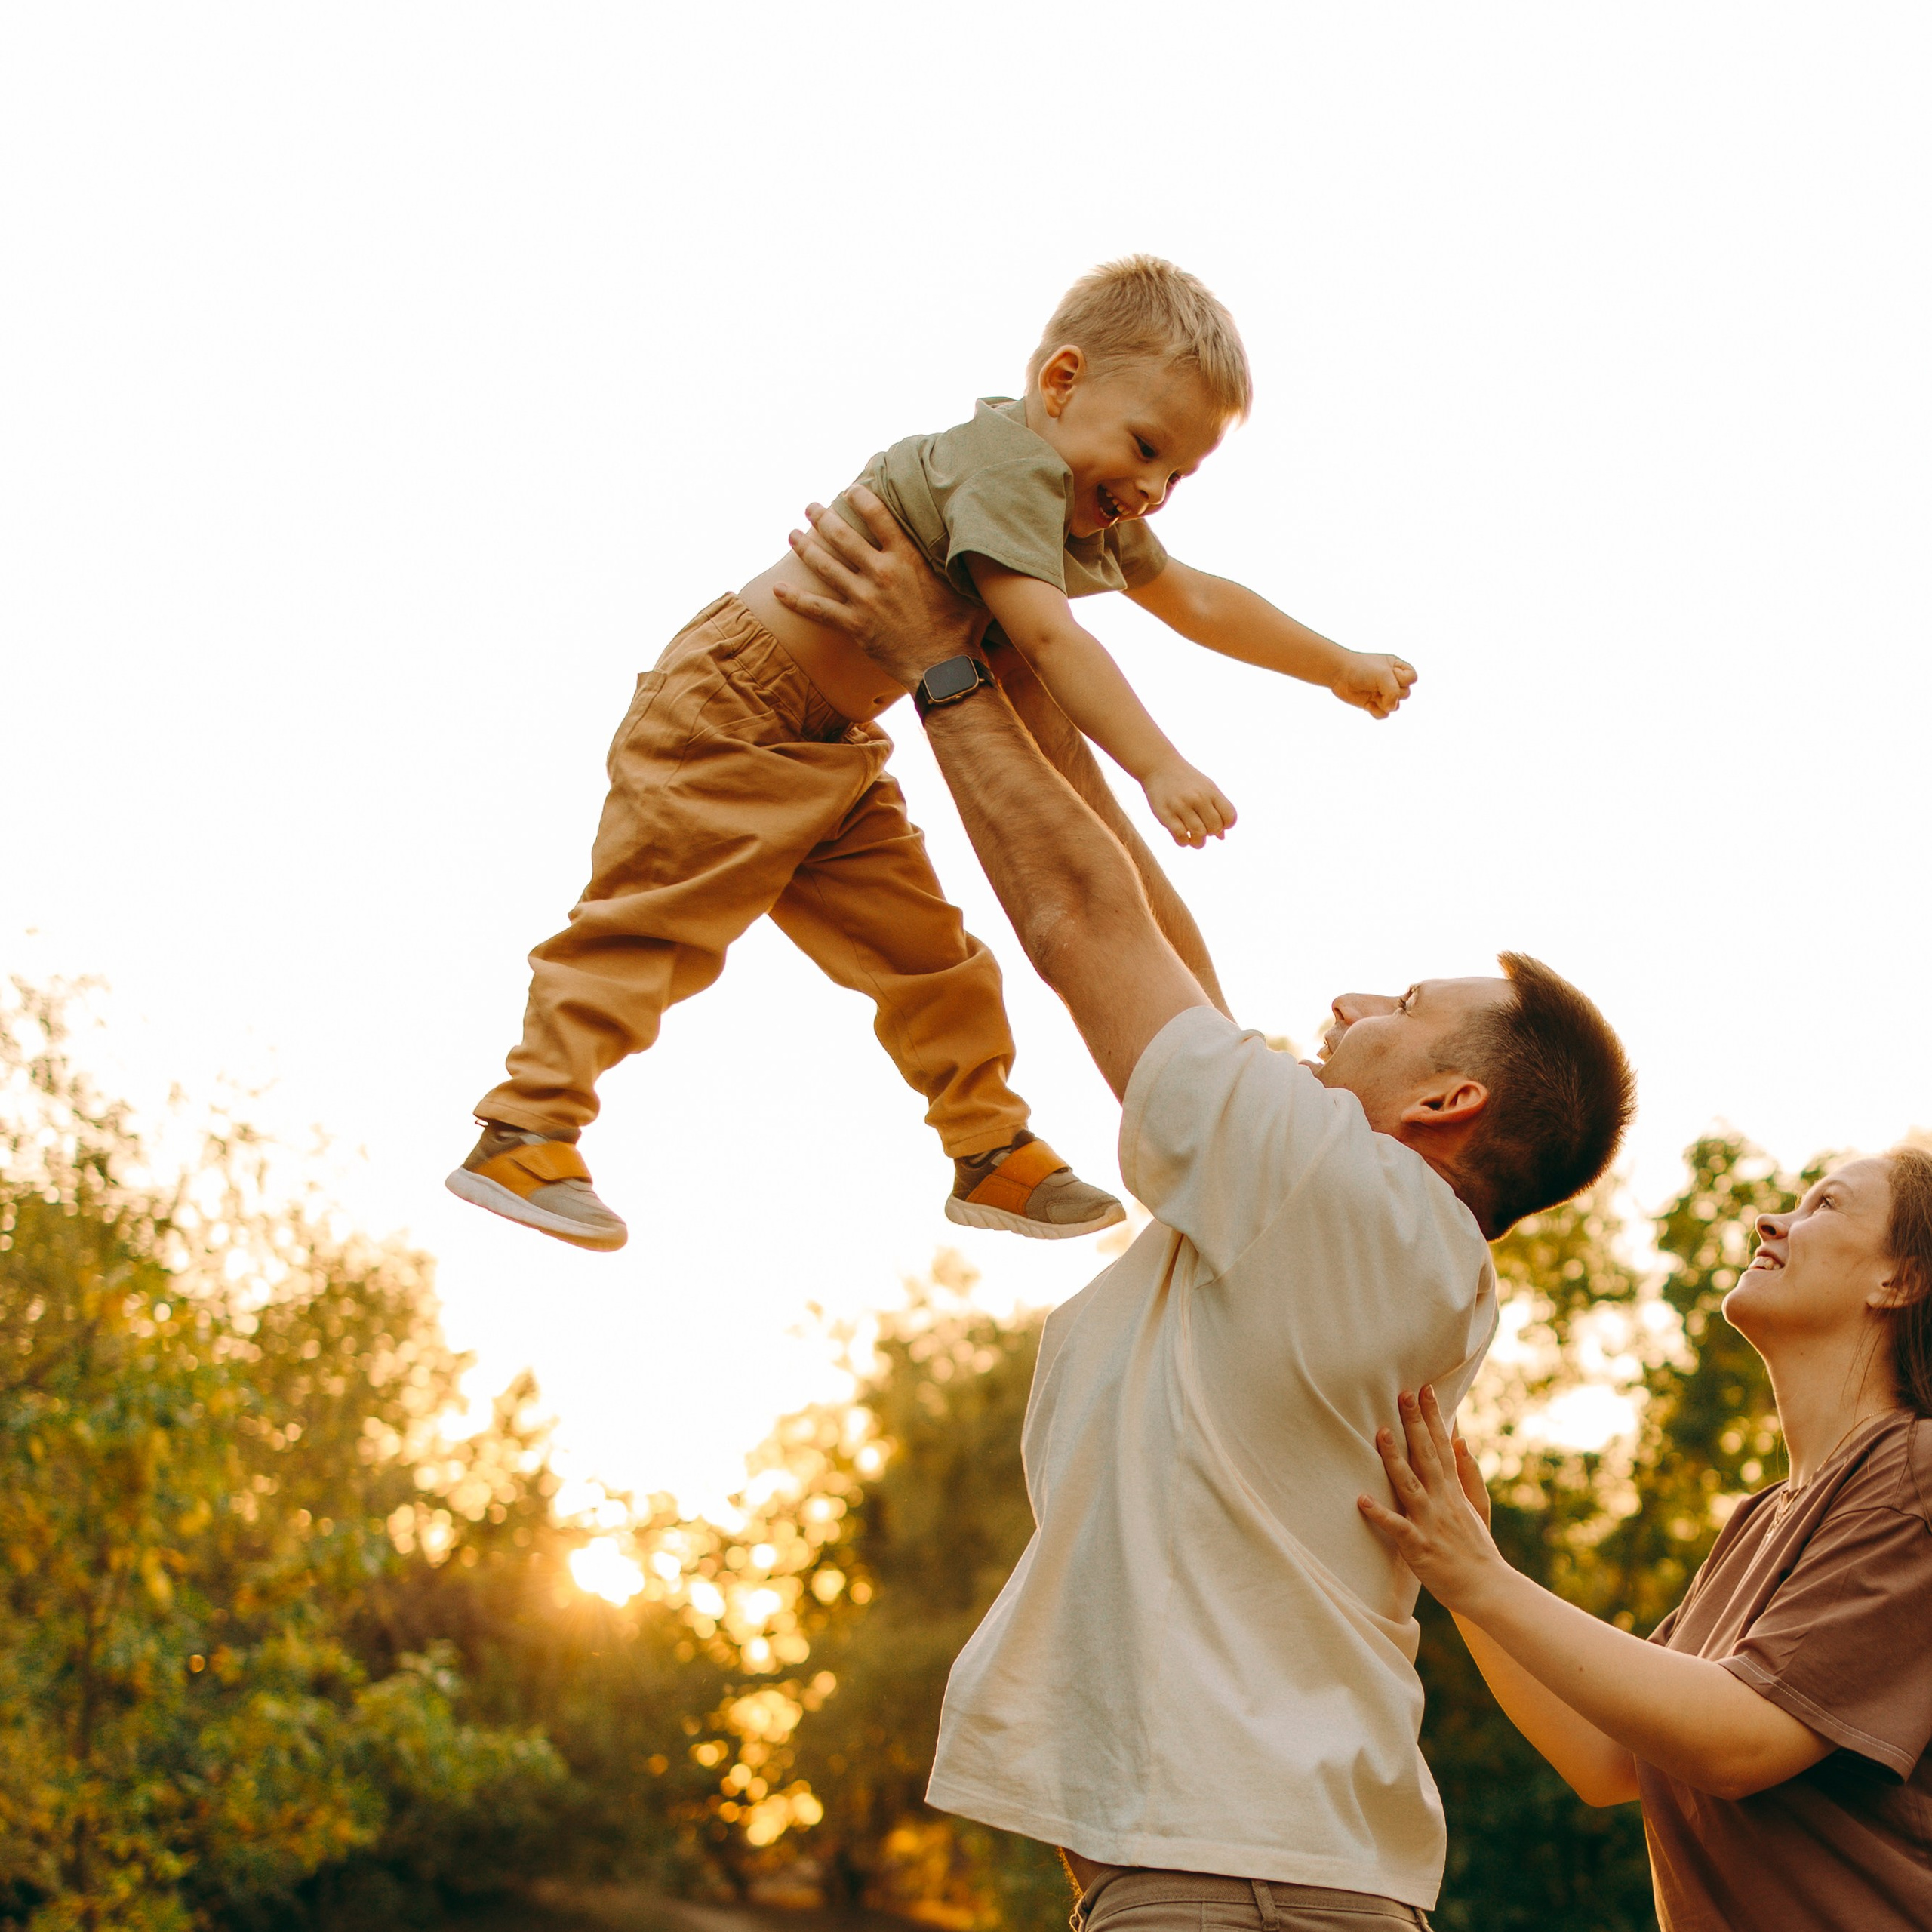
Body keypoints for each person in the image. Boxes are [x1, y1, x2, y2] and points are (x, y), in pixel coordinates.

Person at [771, 488, 1635, 1929]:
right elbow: (1157, 936)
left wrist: (939, 668)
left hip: (1241, 1886)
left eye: (1404, 1006)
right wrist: (1032, 667)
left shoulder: (1356, 1213)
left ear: (1444, 1107)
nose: (1352, 1001)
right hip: (1256, 1871)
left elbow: (1083, 928)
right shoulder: (1325, 1228)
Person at [448, 254, 1411, 1254]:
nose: (1156, 488)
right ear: (1061, 382)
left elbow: (1201, 600)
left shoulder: (1080, 502)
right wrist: (1157, 765)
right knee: (655, 924)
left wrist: (1336, 665)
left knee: (933, 959)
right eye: (1147, 447)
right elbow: (1048, 641)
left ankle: (990, 1150)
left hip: (834, 747)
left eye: (1182, 473)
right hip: (730, 712)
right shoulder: (1007, 469)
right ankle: (528, 1127)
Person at [1360, 1148, 1932, 1931]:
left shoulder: (1915, 1476)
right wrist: (1466, 1563)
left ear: (1898, 1280)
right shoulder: (1759, 1522)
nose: (1772, 1221)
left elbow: (1740, 1742)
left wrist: (1477, 1578)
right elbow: (1605, 1756)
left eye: (1824, 1205)